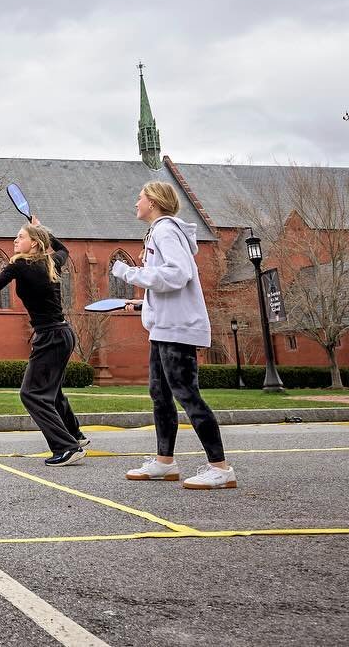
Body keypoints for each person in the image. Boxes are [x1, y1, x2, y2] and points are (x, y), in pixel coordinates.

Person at [112, 181, 236, 490]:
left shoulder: (166, 231)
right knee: (160, 395)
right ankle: (165, 463)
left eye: (139, 197)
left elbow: (178, 274)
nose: (135, 202)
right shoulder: (160, 231)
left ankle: (220, 468)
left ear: (153, 202)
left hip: (178, 330)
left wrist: (129, 273)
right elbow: (170, 284)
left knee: (186, 395)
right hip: (164, 327)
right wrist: (145, 302)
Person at [0, 217, 88, 465]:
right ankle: (74, 435)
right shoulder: (52, 262)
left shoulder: (18, 266)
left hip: (51, 337)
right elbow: (64, 250)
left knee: (31, 394)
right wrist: (43, 230)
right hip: (63, 335)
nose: (15, 240)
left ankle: (66, 447)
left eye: (20, 236)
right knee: (52, 391)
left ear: (34, 243)